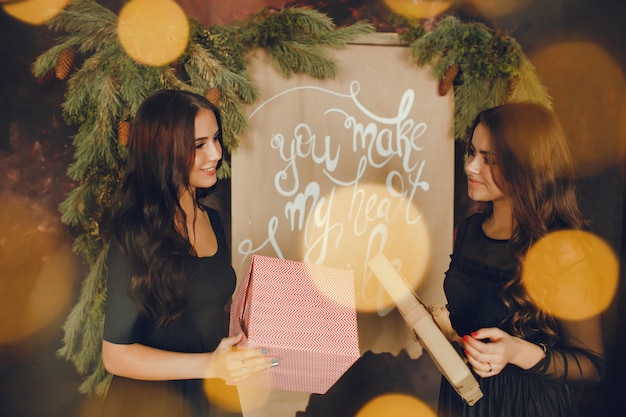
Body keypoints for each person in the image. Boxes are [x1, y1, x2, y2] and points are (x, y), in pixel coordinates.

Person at [100, 90, 278, 417]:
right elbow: (114, 356)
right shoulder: (136, 232)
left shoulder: (211, 219)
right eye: (198, 145)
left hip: (214, 395)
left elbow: (202, 309)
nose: (215, 154)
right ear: (162, 151)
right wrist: (210, 365)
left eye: (216, 139)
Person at [438, 102, 605, 417]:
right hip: (462, 396)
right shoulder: (470, 230)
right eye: (472, 153)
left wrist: (517, 351)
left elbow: (591, 365)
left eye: (489, 160)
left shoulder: (563, 250)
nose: (471, 167)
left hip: (524, 405)